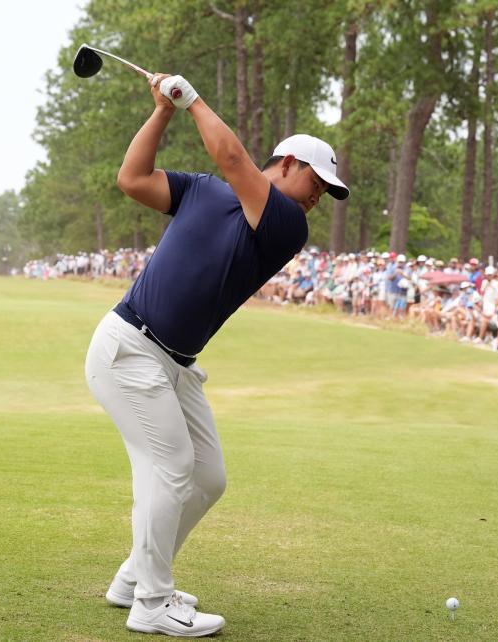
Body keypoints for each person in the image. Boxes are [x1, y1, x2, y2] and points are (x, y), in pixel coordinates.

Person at [84, 72, 349, 638]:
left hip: (174, 363)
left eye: (326, 189)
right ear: (286, 162)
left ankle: (134, 578)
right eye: (316, 180)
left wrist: (193, 99)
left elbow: (232, 157)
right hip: (130, 346)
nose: (318, 194)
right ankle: (151, 603)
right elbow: (131, 178)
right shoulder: (204, 189)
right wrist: (163, 111)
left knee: (207, 477)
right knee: (171, 468)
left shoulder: (284, 225)